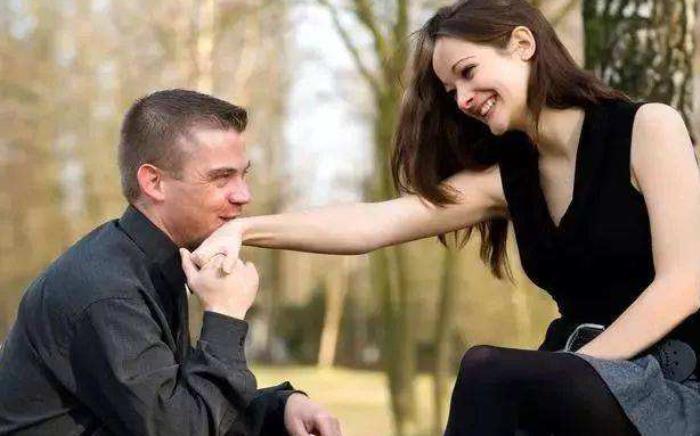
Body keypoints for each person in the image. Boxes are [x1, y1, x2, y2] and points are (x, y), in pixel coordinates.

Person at [192, 0, 700, 434]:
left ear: (523, 44)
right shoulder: (509, 178)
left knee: (487, 370)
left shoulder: (647, 128)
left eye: (468, 72)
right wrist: (244, 228)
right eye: (451, 89)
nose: (462, 99)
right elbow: (376, 223)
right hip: (577, 376)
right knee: (498, 381)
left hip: (674, 379)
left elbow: (686, 282)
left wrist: (576, 367)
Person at [0, 89, 342, 436]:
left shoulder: (150, 265)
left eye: (243, 175)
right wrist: (225, 317)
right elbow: (186, 428)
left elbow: (185, 401)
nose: (244, 195)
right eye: (221, 178)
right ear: (154, 182)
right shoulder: (108, 291)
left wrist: (280, 408)